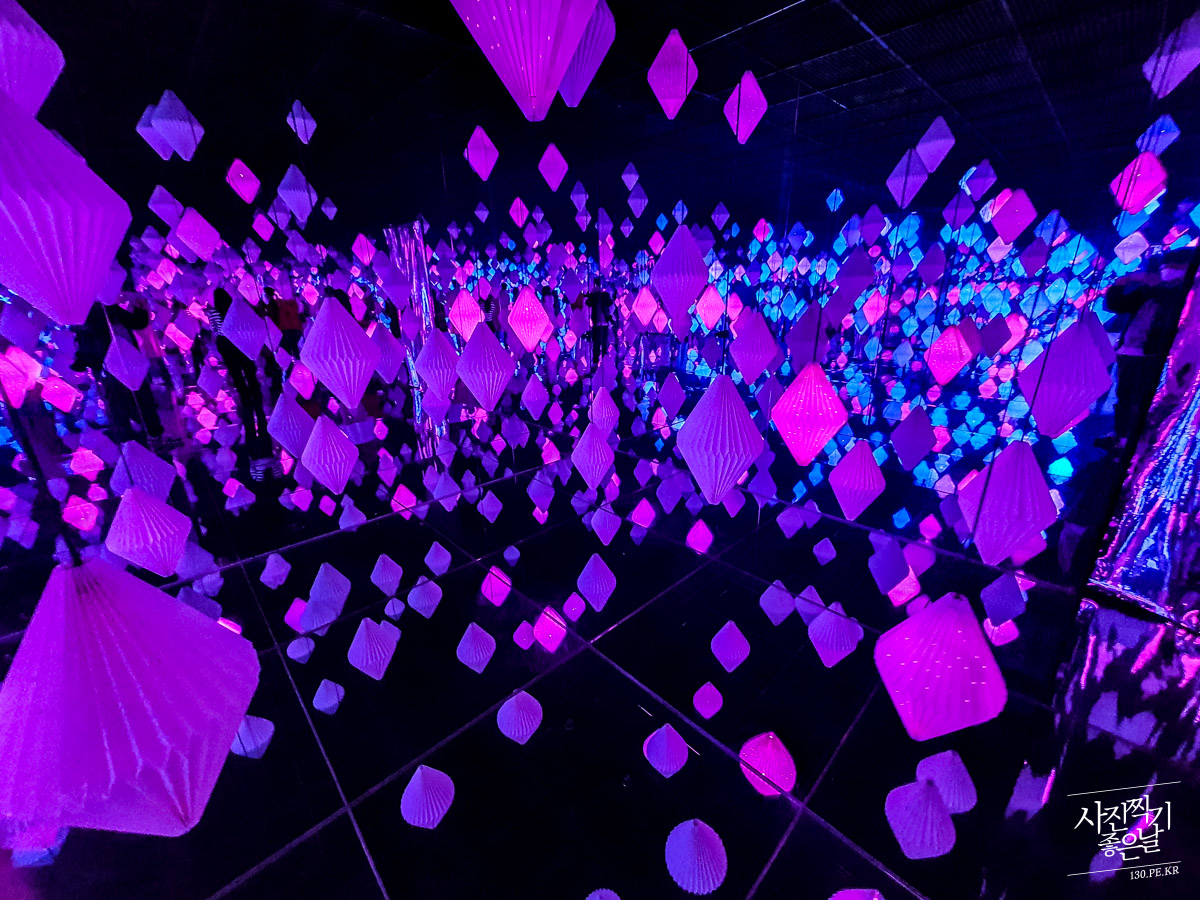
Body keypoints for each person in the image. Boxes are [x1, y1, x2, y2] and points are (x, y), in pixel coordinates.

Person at [209, 288, 271, 470]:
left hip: (225, 344)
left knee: (236, 372)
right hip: (238, 340)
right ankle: (255, 392)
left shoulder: (214, 312)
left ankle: (245, 396)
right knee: (248, 368)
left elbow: (215, 330)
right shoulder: (234, 308)